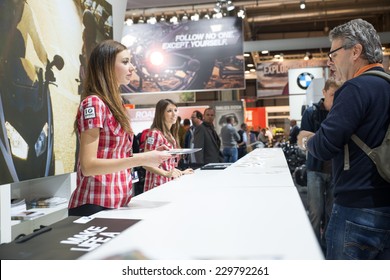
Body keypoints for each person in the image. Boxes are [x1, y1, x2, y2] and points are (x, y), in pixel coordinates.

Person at [298, 19, 390, 260]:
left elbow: (325, 145)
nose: (330, 62)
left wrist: (307, 141)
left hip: (356, 209)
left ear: (356, 51)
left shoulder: (354, 89)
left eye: (334, 54)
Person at [68, 40, 171, 216]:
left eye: (130, 61)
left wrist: (149, 157)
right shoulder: (94, 103)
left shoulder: (116, 105)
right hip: (95, 206)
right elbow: (88, 166)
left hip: (117, 203)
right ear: (106, 66)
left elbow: (115, 155)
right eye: (125, 62)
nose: (132, 68)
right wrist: (142, 159)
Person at [299, 78, 343, 251]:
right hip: (315, 170)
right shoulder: (311, 113)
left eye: (338, 95)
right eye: (332, 94)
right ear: (324, 92)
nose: (335, 98)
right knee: (316, 212)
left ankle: (329, 247)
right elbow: (303, 139)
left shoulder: (340, 113)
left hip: (335, 171)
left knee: (332, 212)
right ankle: (314, 248)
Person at [143, 99, 194, 192]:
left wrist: (181, 172)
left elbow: (167, 165)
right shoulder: (155, 134)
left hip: (168, 182)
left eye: (175, 110)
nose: (174, 114)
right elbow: (145, 163)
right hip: (158, 184)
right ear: (161, 114)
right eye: (169, 111)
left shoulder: (170, 135)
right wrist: (166, 173)